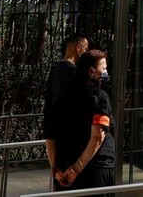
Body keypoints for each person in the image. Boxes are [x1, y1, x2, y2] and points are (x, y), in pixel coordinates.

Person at [52, 49, 115, 195]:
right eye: (104, 68)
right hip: (96, 170)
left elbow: (51, 134)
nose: (106, 72)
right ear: (91, 71)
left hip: (65, 170)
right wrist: (76, 169)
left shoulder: (63, 97)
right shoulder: (100, 97)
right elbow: (97, 136)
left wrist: (56, 170)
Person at [44, 33, 89, 186]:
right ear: (78, 48)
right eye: (86, 49)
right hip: (75, 144)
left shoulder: (55, 70)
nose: (86, 53)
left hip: (59, 142)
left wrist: (53, 162)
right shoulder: (74, 73)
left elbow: (49, 111)